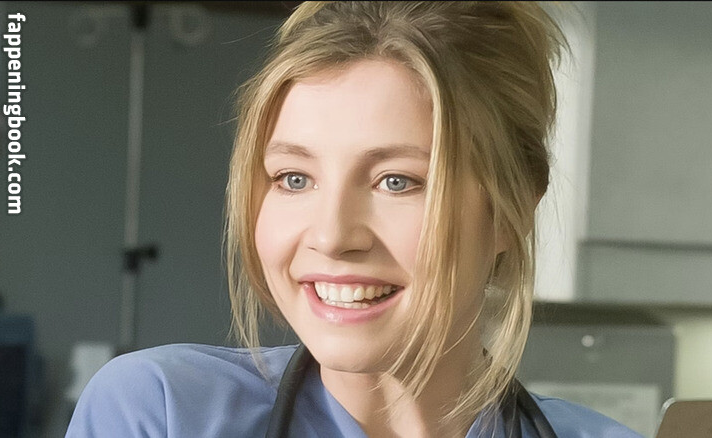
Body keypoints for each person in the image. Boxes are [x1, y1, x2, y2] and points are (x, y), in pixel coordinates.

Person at [67, 2, 643, 437]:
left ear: (511, 209)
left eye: (397, 181)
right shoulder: (161, 413)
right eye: (294, 178)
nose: (331, 236)